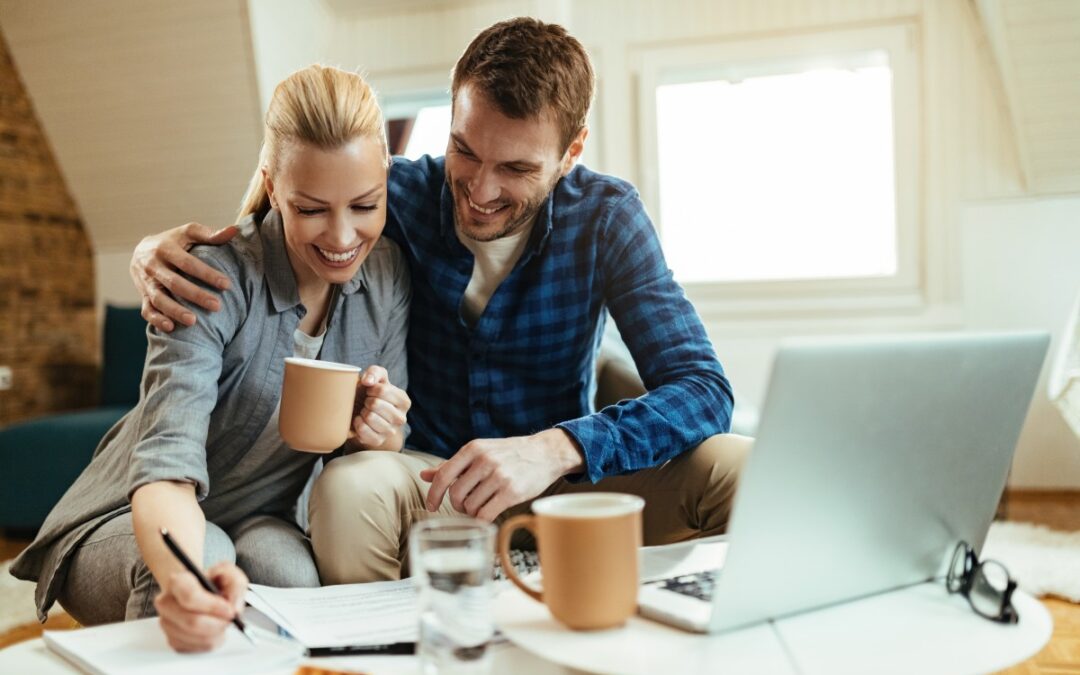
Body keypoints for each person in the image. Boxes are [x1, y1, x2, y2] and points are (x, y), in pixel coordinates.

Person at [129, 18, 751, 585]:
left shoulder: (608, 218)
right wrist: (152, 248)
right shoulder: (388, 197)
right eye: (466, 150)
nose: (479, 190)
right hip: (431, 483)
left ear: (571, 153)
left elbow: (703, 388)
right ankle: (379, 648)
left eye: (515, 167)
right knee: (349, 489)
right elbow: (291, 205)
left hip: (566, 483)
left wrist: (555, 448)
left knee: (739, 467)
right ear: (451, 115)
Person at [11, 65, 411, 652]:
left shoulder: (387, 277)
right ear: (273, 185)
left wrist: (379, 431)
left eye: (364, 205)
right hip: (131, 513)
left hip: (263, 515)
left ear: (385, 181)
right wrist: (183, 580)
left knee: (292, 578)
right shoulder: (208, 278)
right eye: (312, 210)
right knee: (200, 559)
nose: (343, 235)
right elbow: (164, 474)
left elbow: (377, 443)